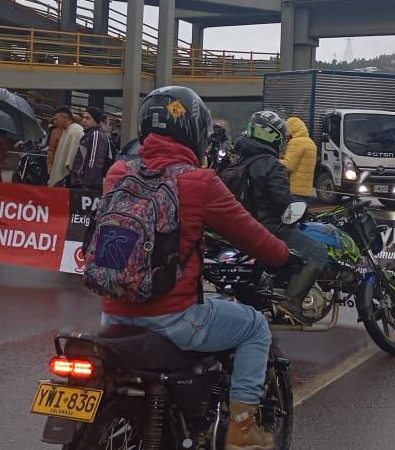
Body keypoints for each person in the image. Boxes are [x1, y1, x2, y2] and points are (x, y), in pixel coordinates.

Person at [101, 86, 290, 450]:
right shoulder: (198, 182)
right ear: (195, 131)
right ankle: (242, 429)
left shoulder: (118, 171)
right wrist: (283, 255)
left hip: (113, 314)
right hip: (172, 317)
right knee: (254, 327)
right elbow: (252, 235)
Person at [225, 110, 329, 326]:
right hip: (270, 227)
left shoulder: (240, 161)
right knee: (318, 253)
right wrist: (299, 208)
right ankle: (292, 302)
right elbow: (282, 200)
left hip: (242, 228)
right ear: (274, 137)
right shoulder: (271, 164)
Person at [70, 107, 113, 192]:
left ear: (96, 120)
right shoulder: (89, 135)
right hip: (84, 182)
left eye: (88, 118)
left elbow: (94, 162)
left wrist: (87, 183)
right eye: (83, 117)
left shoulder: (96, 134)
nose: (84, 120)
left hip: (91, 185)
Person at [280, 116, 317, 204]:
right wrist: (283, 157)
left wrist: (273, 159)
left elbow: (289, 166)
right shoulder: (310, 142)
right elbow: (301, 163)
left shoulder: (296, 142)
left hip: (295, 190)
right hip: (306, 190)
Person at [47, 106, 85, 186]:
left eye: (56, 119)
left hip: (72, 174)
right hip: (64, 173)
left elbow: (74, 155)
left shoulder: (76, 130)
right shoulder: (64, 130)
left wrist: (69, 168)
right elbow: (51, 150)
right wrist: (50, 164)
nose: (54, 122)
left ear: (65, 117)